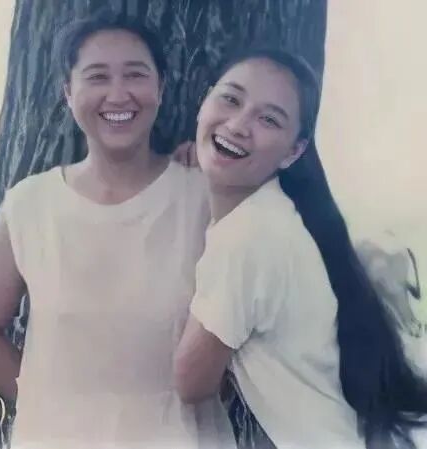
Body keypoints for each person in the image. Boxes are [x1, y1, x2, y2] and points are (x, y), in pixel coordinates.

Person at [0, 13, 234, 449]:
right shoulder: (31, 205)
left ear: (160, 88)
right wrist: (48, 405)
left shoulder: (205, 198)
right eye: (97, 76)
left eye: (135, 75)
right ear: (68, 92)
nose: (118, 94)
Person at [173, 48, 427, 449]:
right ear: (204, 100)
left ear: (294, 151)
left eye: (269, 119)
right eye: (231, 99)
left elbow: (191, 382)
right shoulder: (276, 213)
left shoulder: (248, 236)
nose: (238, 125)